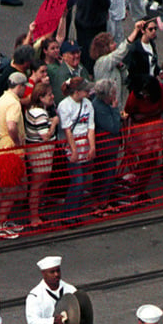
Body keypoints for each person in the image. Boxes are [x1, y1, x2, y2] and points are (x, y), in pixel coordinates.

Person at [0, 72, 28, 238]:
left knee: (5, 189)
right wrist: (18, 142)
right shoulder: (14, 103)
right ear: (19, 86)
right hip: (11, 152)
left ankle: (3, 221)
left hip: (0, 149)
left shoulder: (1, 100)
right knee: (11, 191)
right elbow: (12, 126)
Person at [57, 76, 96, 219]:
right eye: (85, 90)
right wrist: (73, 150)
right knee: (77, 182)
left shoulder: (88, 103)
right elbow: (67, 130)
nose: (88, 92)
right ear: (77, 92)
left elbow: (90, 126)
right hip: (72, 148)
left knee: (82, 182)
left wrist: (92, 147)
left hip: (85, 148)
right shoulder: (64, 106)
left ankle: (76, 213)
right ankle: (69, 214)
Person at [23, 82, 58, 228]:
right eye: (49, 95)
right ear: (41, 97)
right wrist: (54, 122)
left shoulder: (33, 110)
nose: (52, 97)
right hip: (40, 152)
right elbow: (45, 135)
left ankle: (36, 214)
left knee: (39, 184)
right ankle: (34, 217)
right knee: (38, 185)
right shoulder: (39, 113)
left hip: (38, 150)